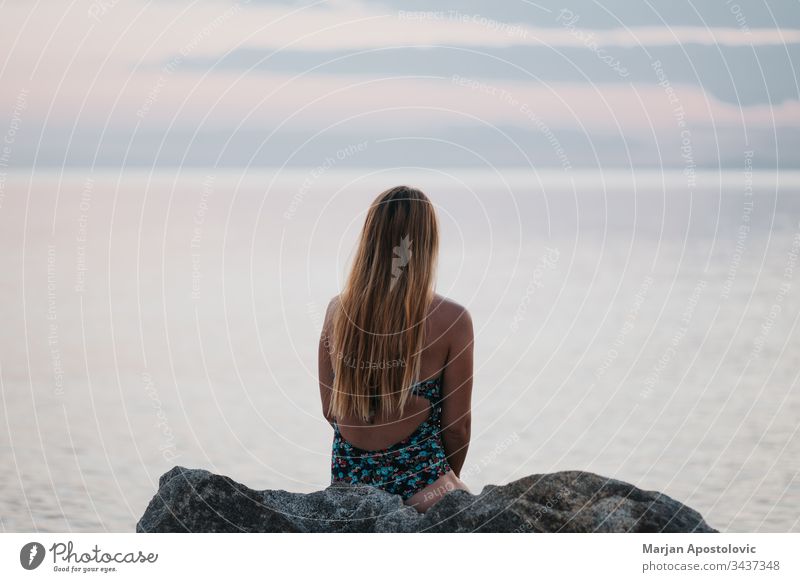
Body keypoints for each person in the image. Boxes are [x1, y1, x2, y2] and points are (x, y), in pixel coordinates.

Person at [318, 185, 474, 512]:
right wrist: (445, 484)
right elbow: (457, 430)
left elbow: (331, 410)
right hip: (424, 487)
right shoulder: (453, 320)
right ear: (427, 242)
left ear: (370, 240)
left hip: (349, 486)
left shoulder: (337, 313)